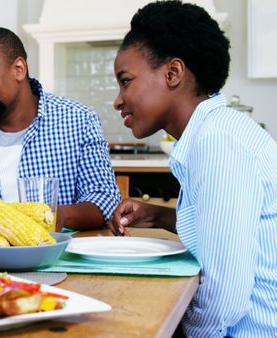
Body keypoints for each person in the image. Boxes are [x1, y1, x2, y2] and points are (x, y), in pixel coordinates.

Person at [108, 1, 277, 337]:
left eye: (125, 81)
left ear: (173, 73)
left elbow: (224, 299)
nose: (117, 100)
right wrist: (156, 215)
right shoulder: (217, 131)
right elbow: (222, 230)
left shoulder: (219, 143)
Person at [0, 27, 120, 231]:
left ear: (18, 69)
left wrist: (56, 215)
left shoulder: (79, 120)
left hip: (53, 256)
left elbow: (104, 200)